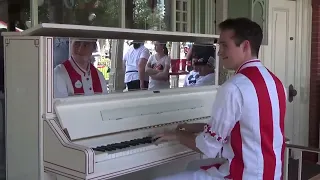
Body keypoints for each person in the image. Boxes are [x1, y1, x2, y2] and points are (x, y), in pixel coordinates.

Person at [153, 17, 287, 180]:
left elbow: (208, 147)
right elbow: (247, 129)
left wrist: (176, 135)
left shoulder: (233, 88)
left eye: (224, 46)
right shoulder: (276, 83)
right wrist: (192, 127)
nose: (219, 52)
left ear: (245, 46)